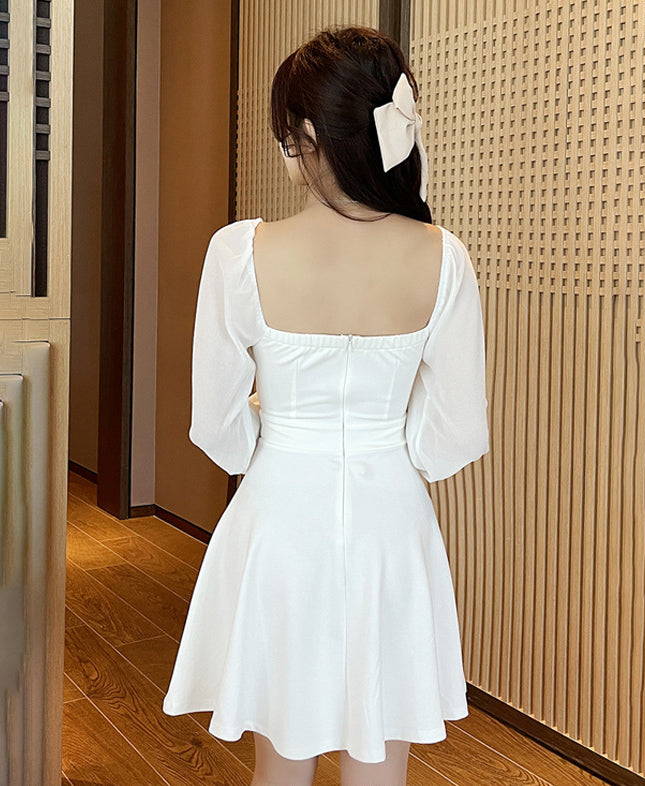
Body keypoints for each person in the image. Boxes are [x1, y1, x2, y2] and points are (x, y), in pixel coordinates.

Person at [162, 24, 490, 786]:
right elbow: (453, 435)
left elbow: (216, 428)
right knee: (379, 760)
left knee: (281, 756)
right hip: (391, 531)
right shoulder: (444, 257)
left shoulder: (238, 253)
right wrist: (388, 441)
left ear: (308, 136)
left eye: (288, 136)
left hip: (280, 523)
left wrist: (272, 434)